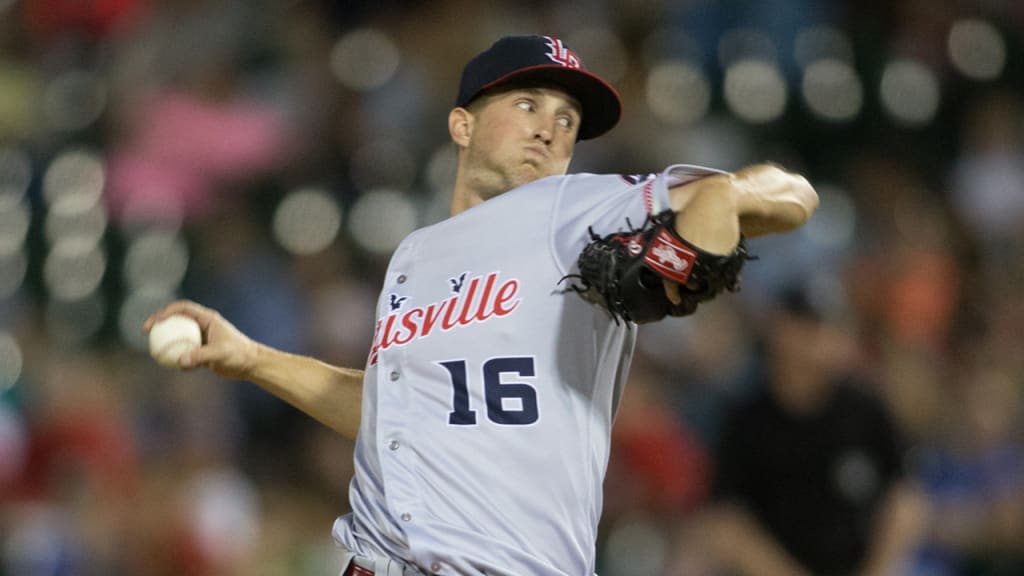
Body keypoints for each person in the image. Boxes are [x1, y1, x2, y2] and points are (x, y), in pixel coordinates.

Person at [146, 35, 818, 575]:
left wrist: (711, 216)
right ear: (462, 124)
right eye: (528, 104)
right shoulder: (413, 256)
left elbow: (789, 195)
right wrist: (252, 359)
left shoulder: (576, 208)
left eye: (567, 119)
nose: (551, 129)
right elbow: (396, 414)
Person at [688, 286, 928, 576]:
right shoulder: (746, 419)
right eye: (807, 327)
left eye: (829, 328)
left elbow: (906, 500)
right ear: (778, 329)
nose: (819, 341)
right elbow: (724, 520)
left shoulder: (865, 409)